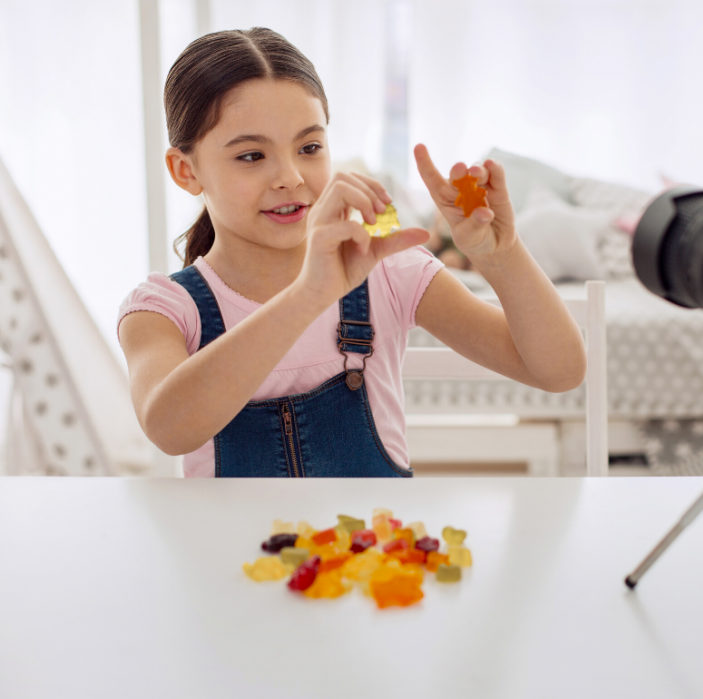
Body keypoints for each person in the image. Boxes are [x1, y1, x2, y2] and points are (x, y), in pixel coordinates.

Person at [117, 28, 587, 478]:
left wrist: (501, 255)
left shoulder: (388, 272)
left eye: (310, 146)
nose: (291, 177)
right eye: (251, 156)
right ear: (185, 170)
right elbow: (169, 428)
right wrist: (308, 294)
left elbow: (560, 371)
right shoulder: (163, 309)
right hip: (235, 559)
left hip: (371, 557)